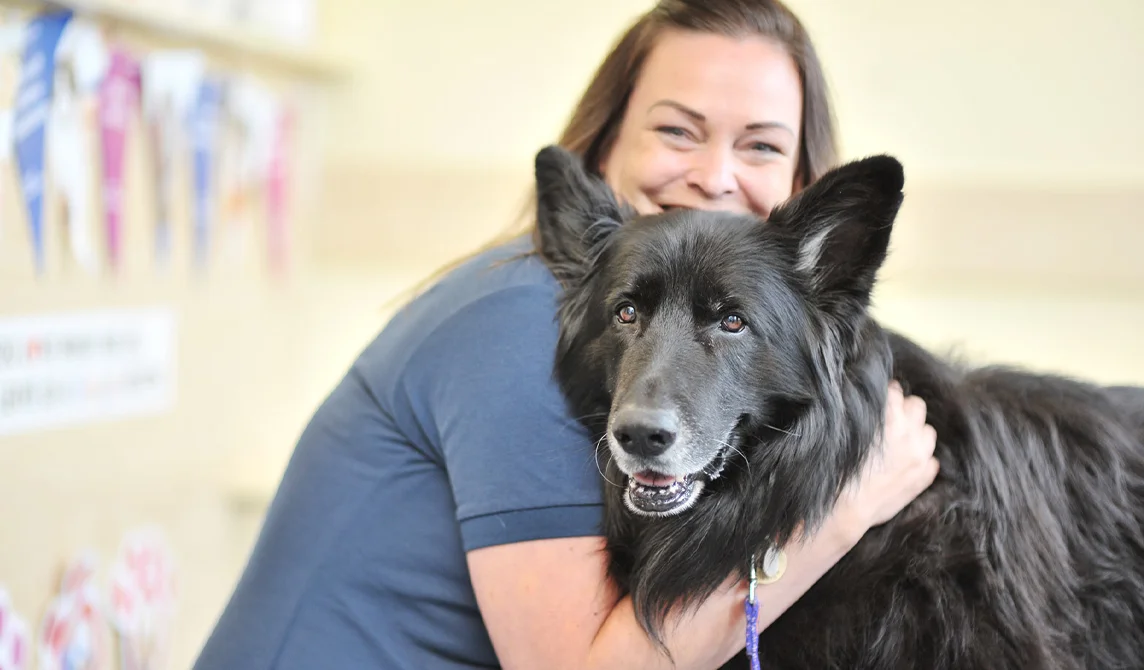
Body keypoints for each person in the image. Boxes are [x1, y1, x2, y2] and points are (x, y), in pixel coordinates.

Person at [193, 1, 940, 668]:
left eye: (762, 147)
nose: (715, 176)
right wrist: (840, 516)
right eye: (679, 130)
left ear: (804, 176)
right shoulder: (521, 321)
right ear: (607, 139)